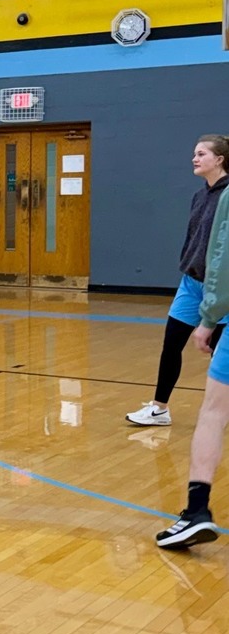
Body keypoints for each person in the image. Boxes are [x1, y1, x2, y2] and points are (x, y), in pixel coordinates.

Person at [127, 137, 229, 427]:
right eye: (194, 154)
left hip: (219, 287)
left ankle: (219, 412)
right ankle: (159, 408)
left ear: (219, 159)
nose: (194, 159)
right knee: (171, 344)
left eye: (201, 154)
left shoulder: (228, 196)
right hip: (191, 283)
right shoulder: (200, 196)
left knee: (218, 356)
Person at [156, 175, 229, 548]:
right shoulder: (202, 195)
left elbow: (222, 258)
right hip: (194, 285)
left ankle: (197, 510)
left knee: (213, 413)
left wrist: (209, 318)